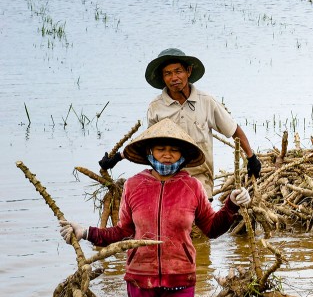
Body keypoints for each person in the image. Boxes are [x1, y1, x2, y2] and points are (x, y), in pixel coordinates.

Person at [62, 119, 251, 297]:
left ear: (183, 154)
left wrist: (231, 205)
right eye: (161, 149)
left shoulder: (192, 186)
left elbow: (212, 228)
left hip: (181, 279)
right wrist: (85, 232)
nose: (167, 155)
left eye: (173, 149)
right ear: (149, 152)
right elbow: (121, 232)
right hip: (140, 280)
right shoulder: (133, 185)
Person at [98, 48, 261, 199]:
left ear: (188, 71)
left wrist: (251, 157)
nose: (174, 78)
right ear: (163, 78)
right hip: (167, 178)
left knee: (200, 226)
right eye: (168, 73)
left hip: (200, 179)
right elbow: (148, 143)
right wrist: (117, 158)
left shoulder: (206, 102)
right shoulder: (156, 107)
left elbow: (233, 130)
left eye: (178, 71)